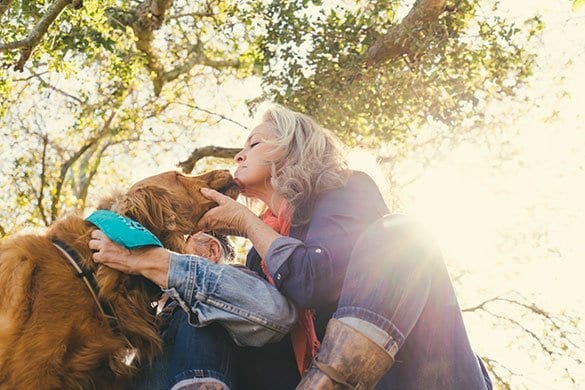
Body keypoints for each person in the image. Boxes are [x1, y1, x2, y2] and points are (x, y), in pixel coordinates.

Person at [91, 103, 492, 389]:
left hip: (424, 377)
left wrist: (245, 222)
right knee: (208, 309)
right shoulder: (256, 254)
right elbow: (268, 317)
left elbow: (311, 280)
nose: (239, 154)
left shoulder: (346, 191)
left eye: (255, 143)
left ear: (290, 149)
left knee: (402, 234)